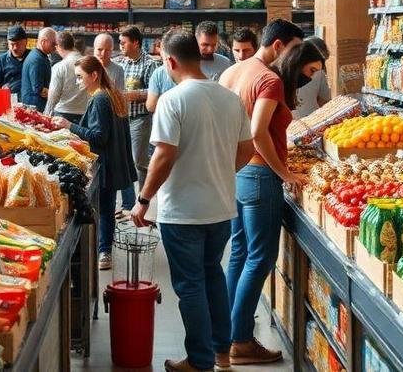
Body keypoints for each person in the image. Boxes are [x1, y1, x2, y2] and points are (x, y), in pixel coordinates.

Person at [129, 31, 254, 372]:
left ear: (169, 61)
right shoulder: (230, 98)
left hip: (183, 211)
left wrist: (143, 199)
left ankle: (199, 361)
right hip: (221, 207)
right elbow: (248, 149)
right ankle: (221, 352)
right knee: (213, 274)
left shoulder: (173, 100)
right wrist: (218, 169)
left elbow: (163, 155)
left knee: (190, 286)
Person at [219, 23, 324, 365]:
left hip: (237, 172)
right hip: (262, 176)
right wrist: (285, 172)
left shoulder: (235, 71)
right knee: (260, 258)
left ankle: (231, 330)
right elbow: (258, 131)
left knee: (240, 252)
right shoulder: (270, 79)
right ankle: (242, 341)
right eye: (295, 49)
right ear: (280, 46)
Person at [52, 56, 135, 271]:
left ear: (94, 75)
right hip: (114, 163)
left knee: (105, 209)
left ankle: (104, 251)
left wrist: (69, 125)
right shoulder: (112, 94)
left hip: (105, 164)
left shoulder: (100, 99)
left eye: (80, 77)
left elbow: (98, 137)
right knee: (107, 208)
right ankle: (105, 248)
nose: (78, 82)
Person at [114, 26, 158, 209]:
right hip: (121, 118)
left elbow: (154, 90)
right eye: (120, 42)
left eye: (124, 42)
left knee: (138, 161)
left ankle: (143, 200)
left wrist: (134, 94)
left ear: (136, 42)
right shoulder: (119, 63)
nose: (121, 45)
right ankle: (127, 204)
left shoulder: (149, 63)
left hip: (140, 118)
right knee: (123, 160)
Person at [44, 31, 89, 123]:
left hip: (63, 114)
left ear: (58, 47)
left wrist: (46, 114)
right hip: (84, 113)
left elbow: (54, 96)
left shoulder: (59, 67)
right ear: (73, 44)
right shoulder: (87, 63)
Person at [293, 36, 332, 120]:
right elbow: (324, 101)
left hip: (292, 124)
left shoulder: (285, 68)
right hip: (312, 120)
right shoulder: (319, 72)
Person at [20, 27, 57, 110]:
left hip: (35, 104)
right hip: (35, 106)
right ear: (43, 42)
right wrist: (57, 95)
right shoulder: (37, 59)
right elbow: (39, 89)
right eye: (53, 44)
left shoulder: (40, 56)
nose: (55, 47)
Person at [0, 25, 29, 97]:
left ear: (25, 42)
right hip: (9, 99)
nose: (15, 48)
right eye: (12, 44)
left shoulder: (33, 58)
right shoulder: (1, 60)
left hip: (29, 101)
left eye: (18, 44)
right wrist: (0, 95)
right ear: (8, 43)